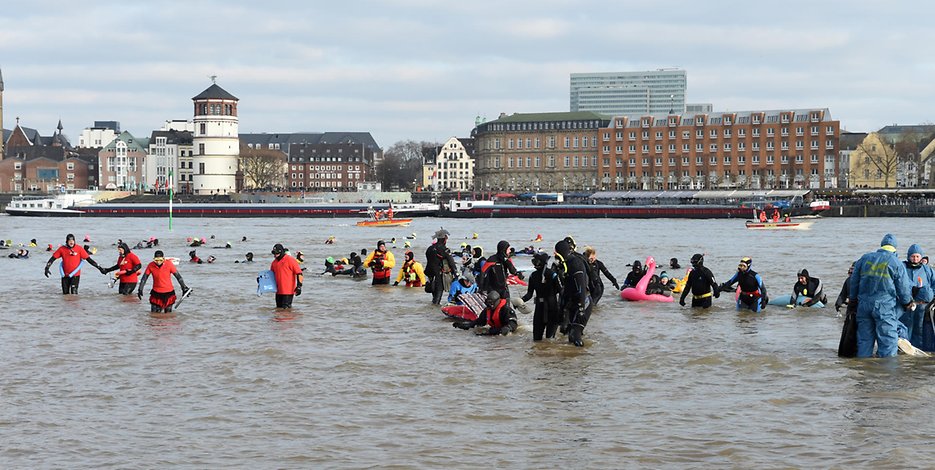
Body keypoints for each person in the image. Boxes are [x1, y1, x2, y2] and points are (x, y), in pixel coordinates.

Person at [849, 234, 914, 357]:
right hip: (885, 307)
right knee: (887, 342)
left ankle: (862, 369)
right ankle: (886, 373)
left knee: (864, 341)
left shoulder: (864, 258)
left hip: (863, 306)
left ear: (882, 246)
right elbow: (903, 288)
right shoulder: (896, 263)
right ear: (895, 248)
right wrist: (907, 303)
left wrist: (852, 301)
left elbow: (854, 282)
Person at [554, 239, 592, 347]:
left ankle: (584, 360)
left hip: (583, 301)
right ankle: (572, 361)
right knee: (569, 334)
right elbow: (565, 288)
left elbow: (581, 287)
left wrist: (581, 309)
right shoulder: (564, 265)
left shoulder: (575, 263)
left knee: (575, 334)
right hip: (573, 302)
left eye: (556, 252)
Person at [521, 252, 563, 341]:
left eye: (536, 261)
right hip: (539, 309)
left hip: (552, 309)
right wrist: (520, 301)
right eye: (533, 261)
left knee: (550, 340)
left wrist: (563, 309)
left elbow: (561, 291)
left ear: (542, 262)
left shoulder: (552, 275)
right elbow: (529, 294)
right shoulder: (533, 276)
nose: (534, 263)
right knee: (536, 340)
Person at [900, 244, 935, 348]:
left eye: (917, 256)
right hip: (906, 305)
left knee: (920, 329)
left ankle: (919, 348)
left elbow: (934, 284)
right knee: (905, 327)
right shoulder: (902, 268)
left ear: (921, 257)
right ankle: (904, 349)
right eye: (913, 256)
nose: (915, 259)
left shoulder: (927, 270)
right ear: (908, 256)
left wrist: (929, 295)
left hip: (922, 306)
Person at [452, 290, 517, 335]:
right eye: (488, 303)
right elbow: (478, 322)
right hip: (494, 331)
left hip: (504, 331)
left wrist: (508, 328)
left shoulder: (506, 310)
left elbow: (513, 323)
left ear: (497, 302)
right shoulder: (487, 311)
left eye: (491, 303)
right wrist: (464, 325)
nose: (490, 305)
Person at [424, 229, 458, 304]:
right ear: (444, 239)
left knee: (434, 294)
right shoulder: (445, 249)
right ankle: (435, 309)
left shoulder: (429, 248)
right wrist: (456, 273)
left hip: (429, 273)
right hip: (439, 274)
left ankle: (432, 307)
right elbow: (451, 262)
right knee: (438, 294)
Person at [269, 243, 303, 309]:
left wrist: (299, 286)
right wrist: (262, 281)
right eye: (274, 253)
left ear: (281, 252)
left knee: (286, 311)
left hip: (288, 291)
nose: (275, 255)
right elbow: (271, 276)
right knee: (278, 310)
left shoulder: (290, 260)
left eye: (276, 253)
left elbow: (299, 273)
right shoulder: (274, 263)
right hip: (278, 291)